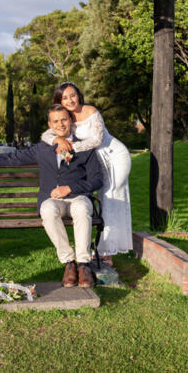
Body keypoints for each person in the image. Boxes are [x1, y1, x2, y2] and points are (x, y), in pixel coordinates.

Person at [0, 104, 103, 289]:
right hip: (53, 200)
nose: (60, 124)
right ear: (49, 124)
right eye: (56, 121)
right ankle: (69, 263)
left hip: (78, 197)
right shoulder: (43, 148)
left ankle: (83, 265)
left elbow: (97, 179)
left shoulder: (84, 147)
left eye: (64, 119)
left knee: (82, 208)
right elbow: (12, 158)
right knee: (47, 209)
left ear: (70, 121)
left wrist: (71, 188)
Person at [42, 82, 132, 266]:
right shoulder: (65, 118)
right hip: (97, 161)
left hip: (114, 156)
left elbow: (97, 140)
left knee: (112, 198)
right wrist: (58, 139)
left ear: (79, 95)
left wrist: (71, 147)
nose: (70, 100)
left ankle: (107, 252)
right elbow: (45, 135)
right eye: (65, 97)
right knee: (105, 200)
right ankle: (101, 250)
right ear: (59, 101)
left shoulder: (91, 111)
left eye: (73, 95)